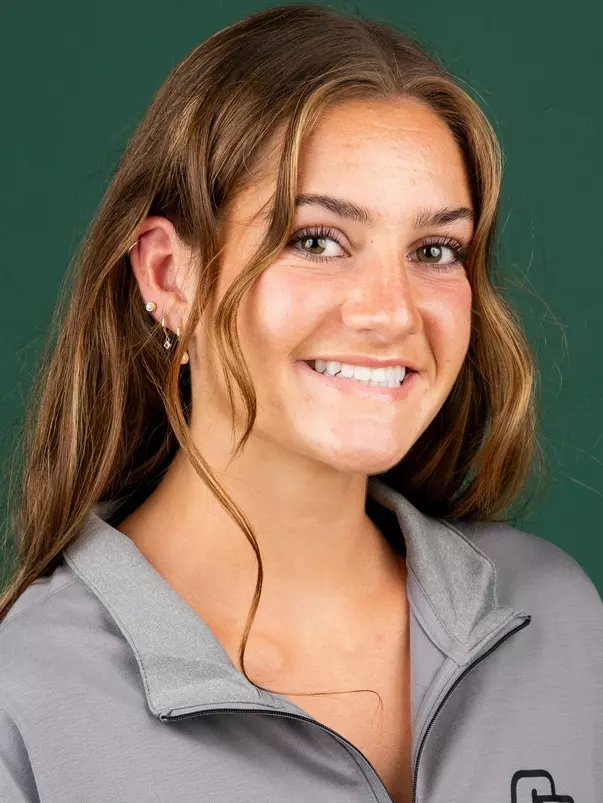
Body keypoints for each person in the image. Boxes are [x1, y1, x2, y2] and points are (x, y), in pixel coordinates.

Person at [0, 4, 601, 802]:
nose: (390, 312)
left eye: (433, 250)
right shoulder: (25, 697)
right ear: (169, 277)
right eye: (315, 240)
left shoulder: (559, 619)